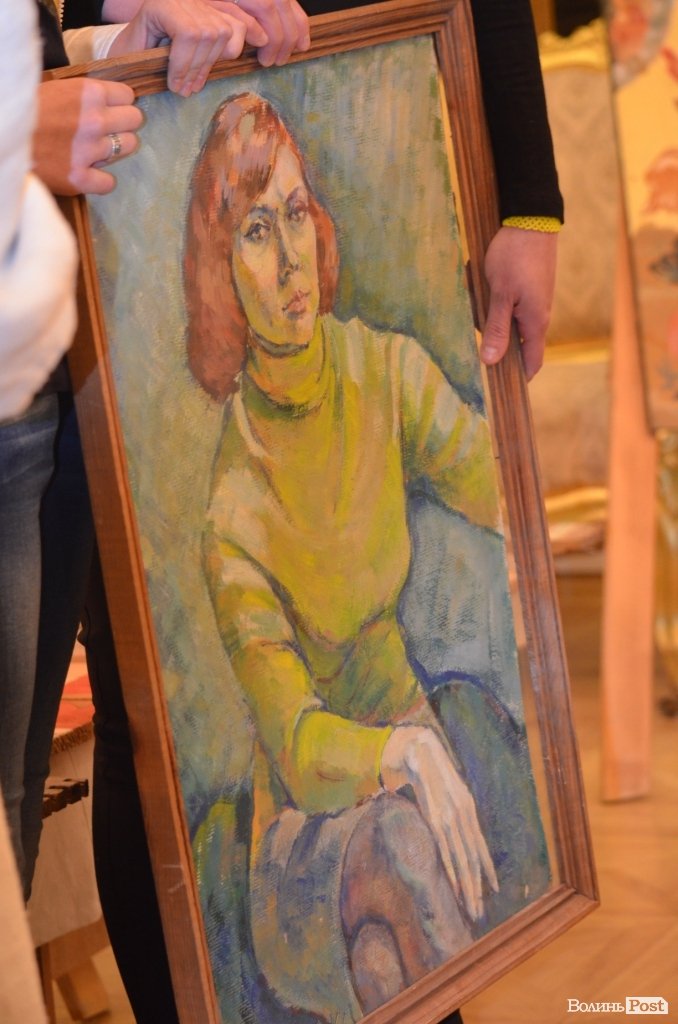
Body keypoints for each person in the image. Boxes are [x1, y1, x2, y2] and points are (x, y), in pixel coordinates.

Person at [0, 2, 561, 1023]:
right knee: (149, 726)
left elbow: (496, 502)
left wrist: (529, 197)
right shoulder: (231, 509)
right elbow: (296, 742)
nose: (290, 258)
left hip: (335, 39)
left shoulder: (384, 373)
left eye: (297, 215)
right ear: (220, 270)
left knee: (439, 855)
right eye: (255, 232)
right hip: (311, 817)